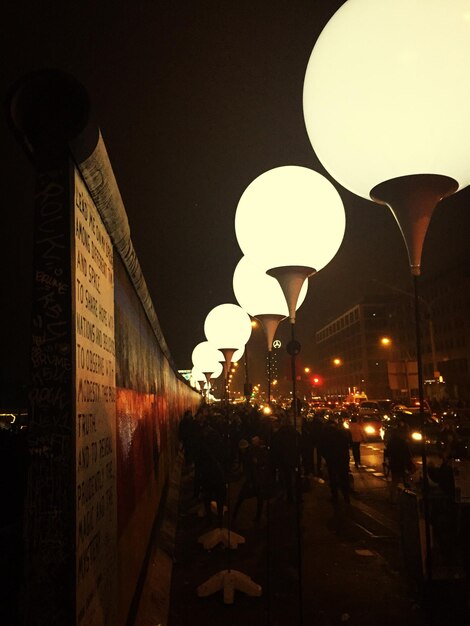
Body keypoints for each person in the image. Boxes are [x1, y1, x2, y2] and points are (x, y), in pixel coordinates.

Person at [232, 436, 271, 522]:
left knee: (243, 497)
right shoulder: (250, 453)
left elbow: (252, 468)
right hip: (256, 480)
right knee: (257, 498)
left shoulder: (249, 454)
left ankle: (236, 515)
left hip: (254, 480)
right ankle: (257, 516)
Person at [319, 416, 352, 504]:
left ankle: (335, 496)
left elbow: (322, 448)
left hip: (332, 459)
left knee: (333, 478)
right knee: (344, 477)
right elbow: (347, 444)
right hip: (342, 459)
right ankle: (346, 496)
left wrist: (326, 457)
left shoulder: (325, 435)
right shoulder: (341, 433)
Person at [384, 420, 414, 503]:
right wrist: (409, 464)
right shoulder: (402, 442)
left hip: (394, 462)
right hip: (401, 463)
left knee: (395, 480)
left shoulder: (392, 441)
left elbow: (387, 451)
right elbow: (406, 454)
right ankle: (405, 498)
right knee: (405, 479)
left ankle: (393, 498)